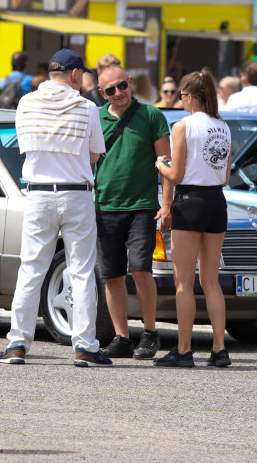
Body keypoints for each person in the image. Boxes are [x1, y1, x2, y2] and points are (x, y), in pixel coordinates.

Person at [0, 49, 109, 368]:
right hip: (76, 194)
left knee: (31, 268)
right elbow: (93, 156)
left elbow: (25, 149)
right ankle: (85, 345)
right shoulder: (87, 107)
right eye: (82, 74)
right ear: (75, 75)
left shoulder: (26, 103)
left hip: (39, 195)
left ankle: (17, 342)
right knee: (82, 271)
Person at [154, 69, 232, 368]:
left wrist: (160, 164)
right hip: (216, 201)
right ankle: (219, 348)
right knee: (211, 280)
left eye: (181, 96)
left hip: (190, 201)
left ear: (189, 97)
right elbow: (225, 176)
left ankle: (184, 349)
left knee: (184, 281)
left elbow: (175, 174)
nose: (180, 101)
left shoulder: (183, 125)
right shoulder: (222, 126)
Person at [95, 65, 172, 361]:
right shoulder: (96, 117)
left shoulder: (151, 115)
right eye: (110, 90)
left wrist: (166, 205)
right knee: (112, 275)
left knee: (141, 270)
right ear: (103, 93)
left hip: (142, 206)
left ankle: (150, 333)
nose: (118, 93)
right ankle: (121, 337)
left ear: (130, 83)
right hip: (105, 206)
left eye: (122, 86)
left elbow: (164, 163)